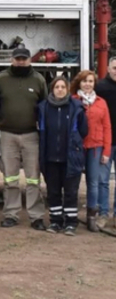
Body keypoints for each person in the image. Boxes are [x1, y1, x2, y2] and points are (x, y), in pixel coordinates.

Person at [0, 47, 48, 230]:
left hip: (32, 135)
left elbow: (45, 107)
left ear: (30, 60)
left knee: (33, 179)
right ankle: (11, 214)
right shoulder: (0, 79)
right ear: (11, 59)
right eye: (17, 59)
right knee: (10, 178)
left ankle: (36, 216)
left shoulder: (39, 80)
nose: (21, 62)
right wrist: (0, 123)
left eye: (24, 59)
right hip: (8, 135)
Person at [39, 76, 88, 236]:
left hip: (70, 157)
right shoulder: (43, 107)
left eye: (63, 87)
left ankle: (71, 223)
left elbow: (84, 130)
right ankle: (55, 221)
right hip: (50, 157)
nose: (60, 89)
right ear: (52, 89)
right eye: (56, 87)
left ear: (67, 90)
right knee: (53, 191)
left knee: (70, 192)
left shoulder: (76, 107)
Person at [71, 70, 111, 232]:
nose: (87, 84)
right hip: (77, 147)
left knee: (93, 183)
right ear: (78, 83)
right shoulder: (73, 101)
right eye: (84, 81)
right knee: (72, 181)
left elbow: (107, 127)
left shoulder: (101, 102)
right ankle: (70, 214)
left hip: (96, 147)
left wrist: (106, 151)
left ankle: (91, 217)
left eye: (90, 81)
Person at [95, 56, 116, 229]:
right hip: (106, 143)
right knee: (102, 180)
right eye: (115, 68)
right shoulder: (100, 88)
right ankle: (102, 213)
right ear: (108, 69)